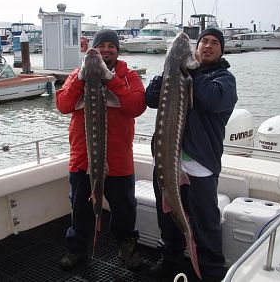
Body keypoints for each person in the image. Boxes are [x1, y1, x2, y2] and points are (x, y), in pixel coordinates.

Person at [145, 28, 238, 282]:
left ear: (222, 50)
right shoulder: (177, 73)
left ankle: (211, 274)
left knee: (205, 226)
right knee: (168, 219)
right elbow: (150, 98)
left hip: (199, 167)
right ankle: (171, 262)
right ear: (196, 48)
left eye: (214, 43)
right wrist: (169, 66)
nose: (208, 46)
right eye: (204, 41)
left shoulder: (224, 79)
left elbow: (214, 100)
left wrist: (194, 71)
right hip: (166, 160)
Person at [56, 29, 147, 271]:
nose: (106, 50)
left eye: (111, 46)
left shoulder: (129, 76)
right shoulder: (77, 75)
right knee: (80, 207)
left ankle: (126, 249)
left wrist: (110, 79)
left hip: (118, 159)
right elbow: (63, 105)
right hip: (82, 158)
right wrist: (81, 79)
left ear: (118, 50)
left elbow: (137, 106)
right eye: (101, 46)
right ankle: (77, 249)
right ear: (91, 50)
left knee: (124, 209)